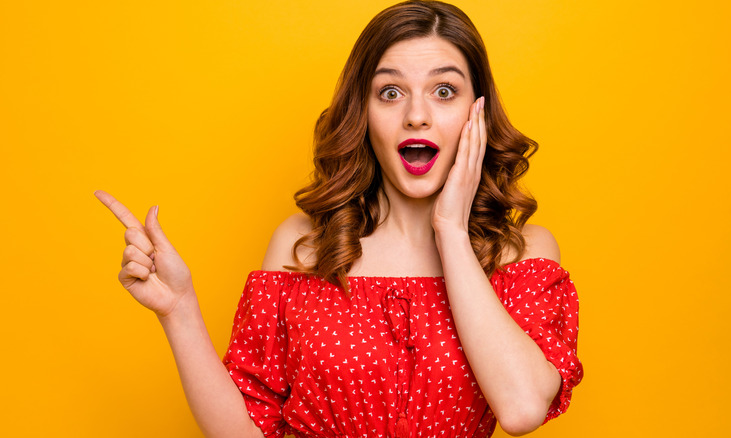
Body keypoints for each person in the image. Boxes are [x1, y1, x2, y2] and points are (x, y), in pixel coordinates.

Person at [95, 1, 583, 437]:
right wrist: (178, 309)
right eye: (390, 92)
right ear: (363, 113)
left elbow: (521, 410)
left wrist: (450, 230)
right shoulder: (304, 246)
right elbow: (246, 431)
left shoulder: (520, 255)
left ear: (477, 112)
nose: (417, 115)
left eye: (444, 90)